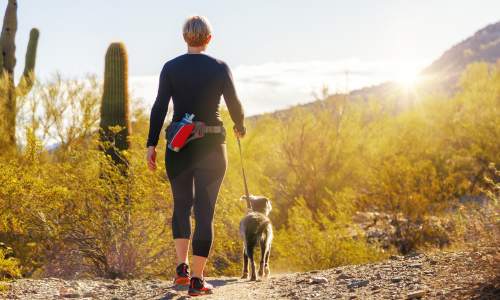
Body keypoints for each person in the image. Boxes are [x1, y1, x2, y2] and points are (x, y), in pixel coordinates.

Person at [146, 15, 246, 296]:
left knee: (180, 206)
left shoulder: (170, 67)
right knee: (205, 213)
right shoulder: (220, 67)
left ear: (184, 38)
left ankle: (181, 271)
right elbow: (235, 104)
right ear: (209, 39)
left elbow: (158, 108)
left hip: (178, 147)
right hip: (212, 146)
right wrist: (240, 126)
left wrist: (151, 145)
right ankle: (198, 281)